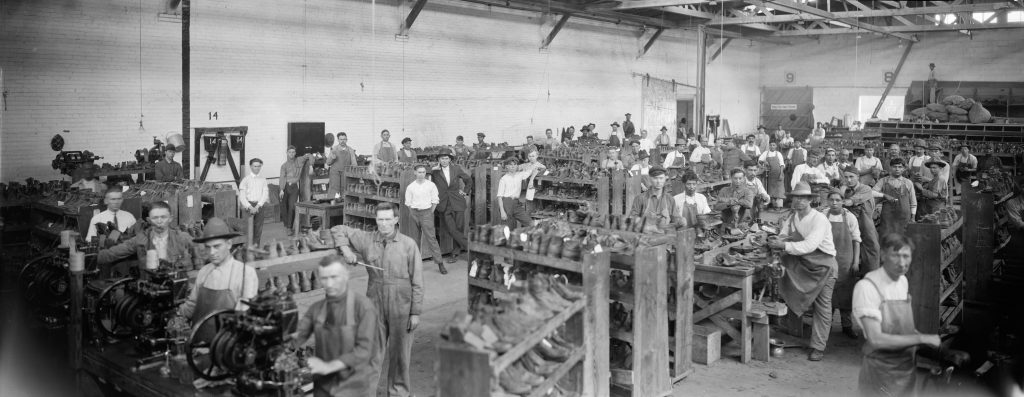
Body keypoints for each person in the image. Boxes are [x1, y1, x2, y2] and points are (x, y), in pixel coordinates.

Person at [332, 203, 423, 397]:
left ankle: (398, 393)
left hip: (402, 303)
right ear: (376, 220)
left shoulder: (408, 245)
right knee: (372, 352)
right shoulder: (366, 239)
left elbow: (417, 281)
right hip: (374, 300)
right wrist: (345, 250)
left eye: (388, 219)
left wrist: (415, 312)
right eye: (380, 219)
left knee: (400, 354)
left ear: (396, 220)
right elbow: (338, 229)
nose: (383, 224)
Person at [853, 233, 942, 396]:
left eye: (906, 256)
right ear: (884, 255)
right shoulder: (867, 287)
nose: (902, 263)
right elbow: (876, 339)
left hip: (906, 369)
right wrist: (921, 339)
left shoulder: (902, 281)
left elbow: (903, 328)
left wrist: (932, 344)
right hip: (880, 371)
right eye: (896, 255)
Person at [767, 182, 838, 361]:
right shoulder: (792, 217)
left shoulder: (819, 219)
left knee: (822, 307)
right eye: (795, 198)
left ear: (809, 200)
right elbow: (784, 234)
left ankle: (818, 346)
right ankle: (793, 330)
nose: (798, 201)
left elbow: (809, 245)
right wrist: (777, 238)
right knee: (792, 292)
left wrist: (783, 245)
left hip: (824, 266)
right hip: (805, 265)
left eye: (802, 198)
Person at [293, 255, 379, 397]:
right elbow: (298, 336)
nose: (329, 284)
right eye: (324, 279)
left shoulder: (362, 307)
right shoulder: (317, 309)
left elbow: (366, 351)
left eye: (334, 277)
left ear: (346, 276)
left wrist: (329, 367)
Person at [177, 217, 259, 342]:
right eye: (208, 247)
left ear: (229, 244)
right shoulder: (204, 272)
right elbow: (192, 305)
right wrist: (176, 314)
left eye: (217, 246)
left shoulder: (245, 273)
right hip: (198, 343)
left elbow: (242, 315)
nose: (212, 252)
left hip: (228, 346)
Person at [97, 201, 192, 275]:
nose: (159, 221)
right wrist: (90, 259)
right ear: (148, 220)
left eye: (163, 217)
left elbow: (203, 254)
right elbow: (112, 254)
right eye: (155, 218)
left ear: (170, 218)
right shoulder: (140, 240)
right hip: (150, 291)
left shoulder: (183, 238)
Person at [823, 190, 861, 340]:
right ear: (827, 201)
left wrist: (856, 261)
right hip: (827, 259)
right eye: (831, 200)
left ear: (843, 201)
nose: (834, 203)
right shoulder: (823, 215)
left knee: (846, 294)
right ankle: (826, 325)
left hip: (846, 260)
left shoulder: (850, 217)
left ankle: (847, 326)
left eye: (838, 200)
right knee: (827, 294)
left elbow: (856, 240)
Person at [431, 150, 473, 265]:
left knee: (458, 228)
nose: (444, 161)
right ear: (438, 160)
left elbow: (468, 180)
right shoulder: (434, 172)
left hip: (457, 201)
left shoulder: (456, 169)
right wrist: (432, 170)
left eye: (446, 158)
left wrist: (465, 192)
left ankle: (455, 253)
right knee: (451, 229)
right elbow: (425, 177)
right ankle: (472, 247)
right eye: (442, 158)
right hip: (443, 203)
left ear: (450, 159)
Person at [840, 166, 883, 274]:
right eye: (846, 177)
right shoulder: (846, 190)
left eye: (851, 177)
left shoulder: (865, 189)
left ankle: (872, 278)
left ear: (858, 177)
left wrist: (840, 194)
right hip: (850, 225)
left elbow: (850, 202)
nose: (848, 180)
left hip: (866, 226)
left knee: (872, 250)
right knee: (850, 251)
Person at [405, 164, 443, 274]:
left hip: (427, 212)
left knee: (432, 239)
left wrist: (429, 213)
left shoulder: (431, 185)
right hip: (414, 213)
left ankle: (440, 263)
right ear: (415, 173)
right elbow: (408, 203)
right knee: (414, 240)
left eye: (424, 172)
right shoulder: (411, 187)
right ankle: (414, 266)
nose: (422, 174)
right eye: (419, 172)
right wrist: (413, 213)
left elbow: (435, 201)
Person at [628, 166, 679, 232]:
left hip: (665, 238)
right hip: (645, 238)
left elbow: (675, 218)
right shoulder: (640, 198)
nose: (658, 181)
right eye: (655, 178)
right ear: (650, 179)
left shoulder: (670, 199)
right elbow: (632, 219)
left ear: (665, 179)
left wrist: (679, 221)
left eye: (661, 178)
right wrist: (648, 228)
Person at [873, 158, 916, 237]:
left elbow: (913, 202)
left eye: (900, 167)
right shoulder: (883, 181)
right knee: (887, 238)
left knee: (904, 239)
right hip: (888, 216)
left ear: (903, 169)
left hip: (904, 216)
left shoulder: (908, 182)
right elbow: (872, 193)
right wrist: (884, 195)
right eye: (894, 167)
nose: (897, 169)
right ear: (890, 168)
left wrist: (913, 217)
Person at [496, 158, 542, 230]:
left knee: (529, 222)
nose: (513, 166)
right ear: (506, 166)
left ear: (517, 166)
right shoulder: (503, 179)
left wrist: (535, 166)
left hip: (516, 203)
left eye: (515, 164)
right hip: (506, 203)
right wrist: (502, 211)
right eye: (510, 165)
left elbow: (531, 170)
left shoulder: (520, 175)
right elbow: (499, 197)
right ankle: (507, 240)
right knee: (507, 228)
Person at [238, 158, 269, 245]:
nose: (257, 168)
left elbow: (265, 194)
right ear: (251, 167)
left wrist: (258, 206)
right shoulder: (245, 180)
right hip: (248, 206)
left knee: (258, 228)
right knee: (247, 228)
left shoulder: (263, 179)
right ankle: (247, 248)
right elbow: (242, 196)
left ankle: (256, 248)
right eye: (255, 166)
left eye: (259, 166)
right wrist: (250, 207)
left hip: (259, 206)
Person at [280, 146, 307, 236]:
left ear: (295, 153)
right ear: (287, 153)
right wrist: (281, 189)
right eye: (289, 152)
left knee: (292, 206)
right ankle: (287, 225)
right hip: (285, 187)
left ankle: (289, 227)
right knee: (284, 207)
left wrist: (310, 166)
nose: (291, 154)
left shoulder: (299, 160)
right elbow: (282, 178)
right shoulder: (284, 165)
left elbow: (309, 156)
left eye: (293, 152)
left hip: (294, 187)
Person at [328, 132, 358, 199]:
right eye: (341, 139)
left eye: (344, 139)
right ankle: (333, 206)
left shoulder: (350, 150)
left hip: (345, 173)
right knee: (334, 192)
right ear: (338, 140)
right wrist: (332, 158)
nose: (342, 141)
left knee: (345, 191)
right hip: (335, 174)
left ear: (346, 140)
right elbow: (328, 163)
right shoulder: (334, 149)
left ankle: (343, 207)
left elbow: (354, 164)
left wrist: (354, 171)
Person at [758, 142, 786, 210]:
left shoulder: (778, 153)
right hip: (769, 174)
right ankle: (772, 204)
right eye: (770, 145)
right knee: (770, 190)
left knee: (779, 190)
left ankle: (778, 206)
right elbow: (759, 161)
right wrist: (764, 162)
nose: (772, 146)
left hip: (778, 173)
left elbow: (782, 164)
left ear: (776, 146)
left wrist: (781, 174)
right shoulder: (765, 153)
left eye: (773, 145)